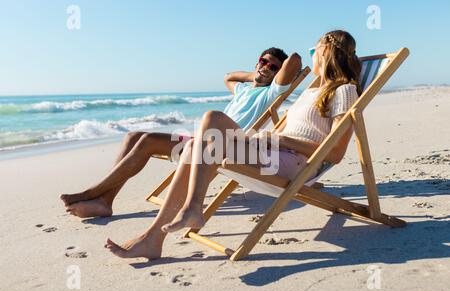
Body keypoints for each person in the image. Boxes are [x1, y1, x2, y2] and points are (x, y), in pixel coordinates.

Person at [105, 30, 362, 260]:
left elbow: (336, 152)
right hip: (272, 152)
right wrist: (265, 138)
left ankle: (191, 208)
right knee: (198, 144)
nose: (311, 57)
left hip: (294, 164)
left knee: (212, 119)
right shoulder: (313, 92)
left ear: (325, 52)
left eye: (313, 51)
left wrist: (277, 139)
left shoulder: (345, 91)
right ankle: (154, 238)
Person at [60, 48, 302, 218]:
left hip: (220, 146)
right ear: (256, 61)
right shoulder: (243, 90)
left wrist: (272, 75)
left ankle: (94, 193)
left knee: (146, 141)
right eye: (263, 61)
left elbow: (295, 60)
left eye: (272, 67)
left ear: (277, 74)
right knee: (132, 136)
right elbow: (228, 76)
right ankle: (105, 200)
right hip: (201, 140)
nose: (266, 67)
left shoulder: (270, 94)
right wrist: (255, 75)